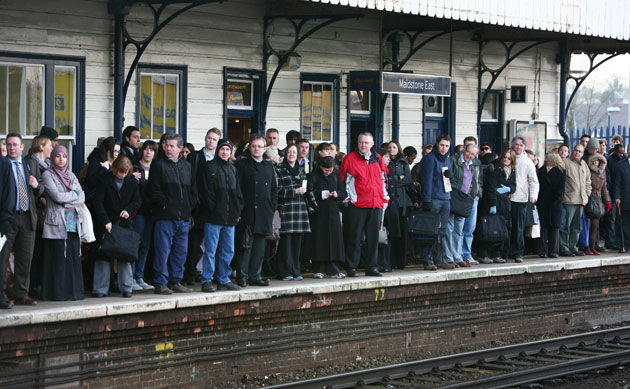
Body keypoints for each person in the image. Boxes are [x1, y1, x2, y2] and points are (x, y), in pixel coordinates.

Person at [146, 133, 197, 294]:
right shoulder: (158, 164)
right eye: (166, 145)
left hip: (183, 217)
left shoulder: (187, 166)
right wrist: (164, 205)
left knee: (180, 251)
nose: (168, 148)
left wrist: (189, 208)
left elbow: (193, 191)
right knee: (162, 251)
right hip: (165, 216)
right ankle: (160, 282)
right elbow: (153, 190)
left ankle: (175, 280)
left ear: (180, 149)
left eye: (172, 146)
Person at [40, 145, 85, 301]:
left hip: (72, 219)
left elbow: (82, 197)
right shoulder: (48, 175)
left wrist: (69, 197)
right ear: (53, 157)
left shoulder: (71, 175)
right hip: (57, 221)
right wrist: (73, 195)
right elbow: (56, 196)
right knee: (59, 257)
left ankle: (74, 292)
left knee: (72, 255)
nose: (61, 159)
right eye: (58, 156)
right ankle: (58, 293)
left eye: (64, 156)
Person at [340, 132, 389, 277]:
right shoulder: (349, 159)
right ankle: (351, 266)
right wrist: (347, 200)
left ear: (372, 144)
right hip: (357, 205)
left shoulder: (377, 158)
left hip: (376, 204)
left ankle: (371, 266)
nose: (363, 145)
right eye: (361, 142)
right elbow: (343, 182)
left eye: (366, 143)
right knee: (354, 238)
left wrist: (385, 199)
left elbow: (383, 180)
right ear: (357, 142)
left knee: (373, 238)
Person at [197, 139, 243, 292]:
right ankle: (207, 279)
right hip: (214, 217)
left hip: (230, 218)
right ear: (218, 150)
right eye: (222, 149)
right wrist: (213, 210)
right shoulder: (210, 167)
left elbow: (237, 194)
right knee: (210, 250)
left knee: (228, 250)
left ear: (231, 152)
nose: (225, 152)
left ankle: (223, 278)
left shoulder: (233, 169)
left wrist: (237, 211)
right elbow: (206, 193)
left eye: (227, 150)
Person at [92, 156, 141, 298]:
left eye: (125, 172)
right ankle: (100, 289)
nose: (122, 175)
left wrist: (129, 210)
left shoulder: (131, 181)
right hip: (106, 222)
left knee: (125, 255)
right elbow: (98, 202)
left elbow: (137, 200)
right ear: (115, 169)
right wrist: (105, 220)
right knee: (103, 255)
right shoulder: (105, 180)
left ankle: (126, 287)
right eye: (120, 172)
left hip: (124, 223)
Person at [2, 133, 39, 305]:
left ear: (22, 147)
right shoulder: (2, 165)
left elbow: (42, 188)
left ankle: (21, 293)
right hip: (8, 219)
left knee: (25, 258)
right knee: (2, 258)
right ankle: (2, 293)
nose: (11, 148)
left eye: (15, 145)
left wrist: (37, 186)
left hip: (27, 217)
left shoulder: (30, 164)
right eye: (9, 145)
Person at [235, 135, 278, 287]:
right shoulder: (242, 164)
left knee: (260, 247)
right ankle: (242, 276)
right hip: (247, 211)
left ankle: (255, 275)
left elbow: (274, 188)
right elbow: (237, 189)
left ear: (264, 149)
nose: (256, 149)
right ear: (250, 147)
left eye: (260, 146)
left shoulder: (268, 166)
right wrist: (239, 211)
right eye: (254, 146)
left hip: (264, 212)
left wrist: (272, 206)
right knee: (245, 246)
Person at [186, 128, 221, 285]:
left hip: (214, 208)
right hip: (198, 206)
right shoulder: (195, 157)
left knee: (211, 244)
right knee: (194, 243)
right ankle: (190, 273)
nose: (211, 141)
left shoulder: (220, 158)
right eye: (209, 138)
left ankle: (208, 273)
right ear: (205, 138)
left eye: (214, 139)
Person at [275, 143, 311, 281]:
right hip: (286, 208)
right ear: (285, 154)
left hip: (300, 208)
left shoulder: (301, 170)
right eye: (289, 152)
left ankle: (296, 270)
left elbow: (305, 185)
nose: (291, 155)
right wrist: (294, 191)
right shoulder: (279, 169)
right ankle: (284, 272)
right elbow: (277, 190)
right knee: (286, 243)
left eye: (294, 153)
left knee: (297, 242)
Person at [418, 134, 454, 270]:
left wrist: (451, 176)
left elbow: (449, 178)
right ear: (437, 144)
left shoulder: (447, 159)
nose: (444, 148)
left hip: (446, 197)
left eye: (446, 146)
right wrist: (426, 200)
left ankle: (439, 258)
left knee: (442, 231)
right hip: (434, 198)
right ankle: (428, 260)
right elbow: (426, 180)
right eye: (442, 145)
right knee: (431, 230)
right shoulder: (429, 158)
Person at [308, 156, 346, 279]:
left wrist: (337, 194)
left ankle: (334, 266)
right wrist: (322, 194)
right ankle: (319, 267)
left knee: (334, 239)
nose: (328, 172)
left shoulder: (335, 175)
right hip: (320, 212)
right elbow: (309, 192)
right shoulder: (313, 176)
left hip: (333, 211)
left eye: (330, 170)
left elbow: (343, 191)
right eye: (325, 170)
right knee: (320, 239)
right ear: (320, 167)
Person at [24, 135, 52, 297]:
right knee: (33, 253)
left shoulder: (48, 165)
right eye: (49, 145)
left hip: (46, 216)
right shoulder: (30, 163)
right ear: (41, 147)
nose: (52, 149)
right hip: (37, 214)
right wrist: (41, 195)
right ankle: (31, 286)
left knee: (41, 253)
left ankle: (38, 284)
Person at [444, 143, 481, 267]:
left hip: (465, 198)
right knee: (449, 227)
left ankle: (457, 256)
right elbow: (448, 178)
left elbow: (477, 180)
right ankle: (449, 257)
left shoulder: (475, 164)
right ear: (464, 150)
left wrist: (475, 193)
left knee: (459, 229)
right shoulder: (453, 160)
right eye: (468, 152)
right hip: (454, 196)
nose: (470, 156)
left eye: (473, 154)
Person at [477, 151, 515, 263]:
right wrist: (493, 204)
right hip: (492, 202)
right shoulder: (494, 168)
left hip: (504, 202)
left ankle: (497, 254)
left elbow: (514, 185)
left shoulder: (512, 170)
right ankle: (483, 254)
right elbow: (491, 188)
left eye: (509, 158)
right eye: (504, 157)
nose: (506, 159)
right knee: (488, 228)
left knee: (501, 229)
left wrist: (509, 189)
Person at [131, 140, 158, 291]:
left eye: (151, 150)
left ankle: (140, 276)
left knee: (146, 245)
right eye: (146, 149)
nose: (148, 152)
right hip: (138, 212)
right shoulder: (135, 168)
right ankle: (132, 277)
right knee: (136, 244)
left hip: (152, 212)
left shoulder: (157, 168)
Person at [509, 136, 539, 262]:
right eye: (516, 144)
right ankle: (505, 251)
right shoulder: (507, 158)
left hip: (520, 199)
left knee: (518, 227)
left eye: (521, 145)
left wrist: (533, 195)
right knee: (507, 226)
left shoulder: (527, 162)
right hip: (506, 198)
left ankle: (518, 253)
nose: (518, 147)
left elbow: (533, 181)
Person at [560, 144, 591, 256]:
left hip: (581, 200)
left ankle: (573, 247)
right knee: (565, 225)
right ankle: (564, 247)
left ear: (583, 154)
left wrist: (587, 193)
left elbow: (588, 180)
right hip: (569, 200)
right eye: (576, 150)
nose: (577, 153)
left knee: (577, 227)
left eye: (580, 151)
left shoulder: (584, 164)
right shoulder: (566, 163)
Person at [387, 141, 413, 269]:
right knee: (392, 232)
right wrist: (399, 178)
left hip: (403, 202)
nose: (392, 149)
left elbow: (408, 179)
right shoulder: (385, 161)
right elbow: (387, 180)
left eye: (394, 147)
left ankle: (401, 261)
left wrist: (395, 180)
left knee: (403, 233)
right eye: (390, 147)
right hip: (390, 200)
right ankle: (390, 261)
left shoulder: (403, 162)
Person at [537, 152, 566, 258]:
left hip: (555, 203)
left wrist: (557, 200)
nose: (545, 159)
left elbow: (561, 188)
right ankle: (543, 250)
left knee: (554, 227)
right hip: (543, 202)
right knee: (544, 227)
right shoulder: (541, 171)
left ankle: (554, 251)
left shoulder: (560, 171)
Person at [585, 153, 611, 255]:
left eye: (598, 161)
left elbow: (604, 188)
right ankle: (587, 246)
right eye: (594, 161)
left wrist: (607, 201)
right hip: (588, 198)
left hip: (598, 201)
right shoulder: (588, 171)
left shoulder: (602, 172)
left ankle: (593, 246)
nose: (596, 163)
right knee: (587, 225)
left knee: (595, 225)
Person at [0, 155, 16, 309]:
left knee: (1, 261)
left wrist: (5, 220)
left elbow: (8, 194)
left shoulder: (4, 164)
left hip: (1, 222)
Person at [604, 144, 625, 250]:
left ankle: (619, 239)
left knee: (620, 219)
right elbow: (609, 179)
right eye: (620, 153)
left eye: (623, 153)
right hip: (612, 193)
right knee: (612, 218)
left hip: (622, 194)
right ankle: (610, 241)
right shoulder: (610, 161)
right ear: (615, 151)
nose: (621, 155)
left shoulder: (624, 160)